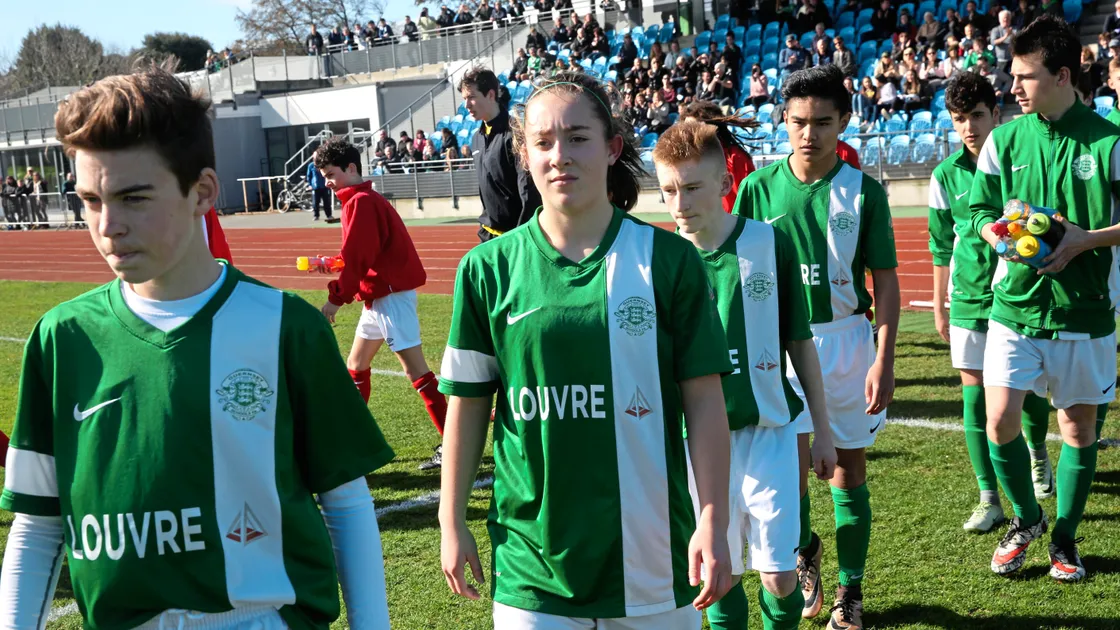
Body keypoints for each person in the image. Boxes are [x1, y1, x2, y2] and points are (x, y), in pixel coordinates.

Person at [0, 65, 394, 629]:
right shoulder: (63, 338)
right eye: (89, 199)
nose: (108, 225)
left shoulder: (285, 327)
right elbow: (39, 524)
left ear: (202, 192)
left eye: (134, 197)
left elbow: (346, 503)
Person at [438, 71, 734, 628]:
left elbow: (704, 402)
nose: (560, 156)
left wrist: (712, 520)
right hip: (533, 563)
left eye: (578, 138)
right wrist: (451, 521)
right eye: (544, 142)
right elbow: (469, 404)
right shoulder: (486, 270)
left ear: (612, 147)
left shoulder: (669, 262)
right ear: (524, 155)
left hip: (652, 555)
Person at [653, 119, 839, 630]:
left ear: (723, 183)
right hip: (696, 442)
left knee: (779, 578)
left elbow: (799, 340)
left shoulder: (767, 244)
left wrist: (821, 430)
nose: (680, 203)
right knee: (720, 573)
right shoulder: (658, 260)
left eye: (692, 188)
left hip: (771, 431)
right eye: (669, 190)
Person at [734, 64, 900, 630]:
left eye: (822, 122)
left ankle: (849, 591)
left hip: (847, 345)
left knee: (847, 472)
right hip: (779, 350)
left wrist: (885, 357)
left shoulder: (864, 192)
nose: (809, 133)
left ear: (845, 122)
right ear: (784, 119)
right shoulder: (757, 188)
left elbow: (887, 280)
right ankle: (807, 552)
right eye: (799, 121)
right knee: (791, 472)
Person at [970, 14, 1120, 582]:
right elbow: (980, 210)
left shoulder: (1109, 143)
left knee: (1078, 431)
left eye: (1025, 77)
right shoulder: (1005, 140)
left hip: (1084, 313)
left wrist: (1086, 240)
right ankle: (1027, 519)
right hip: (1015, 309)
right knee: (1000, 420)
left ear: (1062, 75)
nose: (1013, 87)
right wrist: (997, 234)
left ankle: (1064, 539)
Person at [928, 71, 1055, 534]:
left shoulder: (1017, 159)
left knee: (1031, 394)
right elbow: (942, 245)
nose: (969, 128)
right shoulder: (944, 175)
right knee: (974, 393)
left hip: (1018, 295)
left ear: (995, 114)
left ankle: (1038, 453)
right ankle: (989, 497)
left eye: (977, 115)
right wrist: (941, 306)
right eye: (959, 119)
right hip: (967, 298)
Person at [313, 137, 447, 471]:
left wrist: (335, 299)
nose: (327, 182)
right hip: (379, 297)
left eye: (330, 174)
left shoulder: (361, 201)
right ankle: (350, 441)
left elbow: (360, 257)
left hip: (389, 297)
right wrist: (331, 263)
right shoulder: (358, 200)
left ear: (351, 168)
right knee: (356, 366)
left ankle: (454, 443)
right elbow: (356, 256)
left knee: (416, 371)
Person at [459, 67, 542, 242]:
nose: (466, 105)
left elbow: (529, 193)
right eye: (465, 99)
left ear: (490, 95)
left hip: (514, 237)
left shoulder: (516, 134)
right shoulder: (476, 138)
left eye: (471, 97)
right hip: (487, 234)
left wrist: (522, 237)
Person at [681, 100, 759, 213]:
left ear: (712, 127)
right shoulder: (688, 159)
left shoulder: (735, 157)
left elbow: (749, 200)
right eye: (686, 127)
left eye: (693, 127)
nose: (687, 132)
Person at [306, 155, 333, 221]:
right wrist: (310, 184)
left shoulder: (324, 164)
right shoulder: (311, 165)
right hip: (315, 187)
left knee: (326, 202)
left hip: (324, 186)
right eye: (314, 157)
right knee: (315, 203)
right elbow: (309, 176)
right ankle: (316, 215)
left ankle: (329, 215)